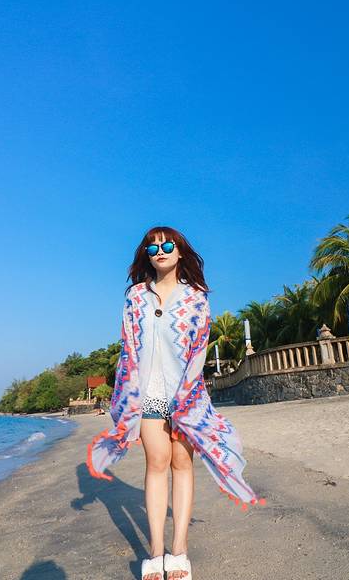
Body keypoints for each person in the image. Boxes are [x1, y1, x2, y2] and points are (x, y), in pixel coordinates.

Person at [87, 226, 265, 580]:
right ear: (147, 255)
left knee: (182, 464)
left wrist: (185, 397)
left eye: (167, 245)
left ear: (180, 251)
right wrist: (127, 397)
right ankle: (156, 551)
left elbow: (199, 349)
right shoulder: (136, 296)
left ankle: (179, 549)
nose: (160, 251)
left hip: (186, 394)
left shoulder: (196, 297)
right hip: (148, 393)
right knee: (157, 462)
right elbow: (128, 346)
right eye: (152, 248)